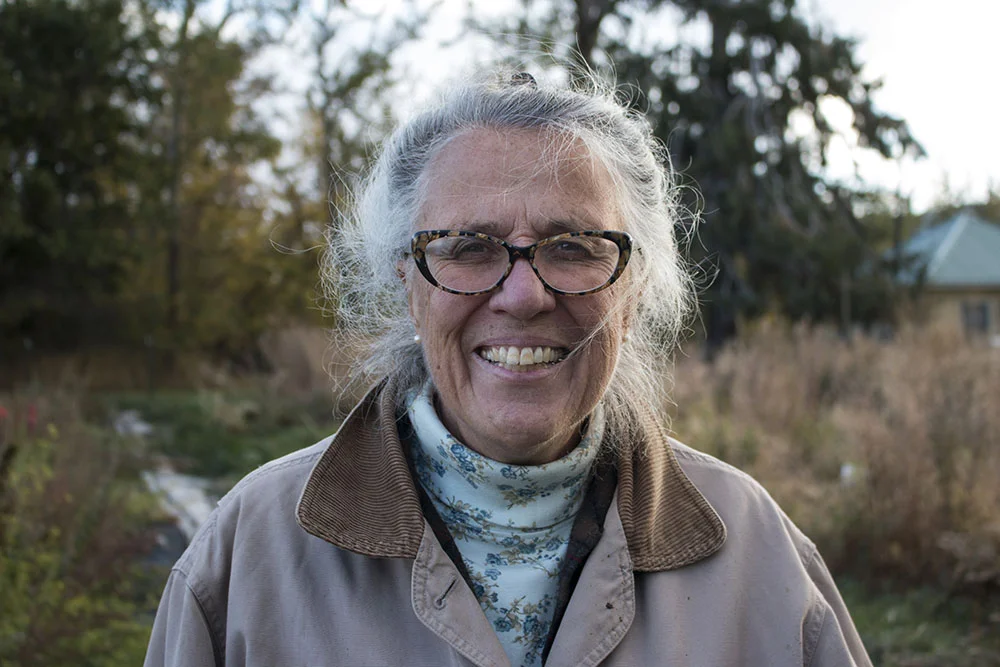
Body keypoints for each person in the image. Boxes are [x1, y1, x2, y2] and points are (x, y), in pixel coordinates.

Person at [144, 67, 872, 667]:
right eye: (468, 246)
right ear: (407, 277)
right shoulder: (251, 554)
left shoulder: (754, 555)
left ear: (635, 284)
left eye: (574, 246)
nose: (523, 295)